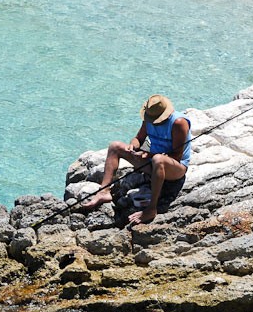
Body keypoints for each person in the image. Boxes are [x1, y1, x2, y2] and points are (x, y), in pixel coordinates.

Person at [81, 94, 192, 225]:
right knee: (115, 146)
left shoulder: (178, 123)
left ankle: (151, 208)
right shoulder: (149, 118)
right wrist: (132, 146)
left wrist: (149, 155)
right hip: (153, 162)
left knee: (158, 159)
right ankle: (104, 191)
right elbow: (139, 138)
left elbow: (177, 155)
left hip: (175, 169)